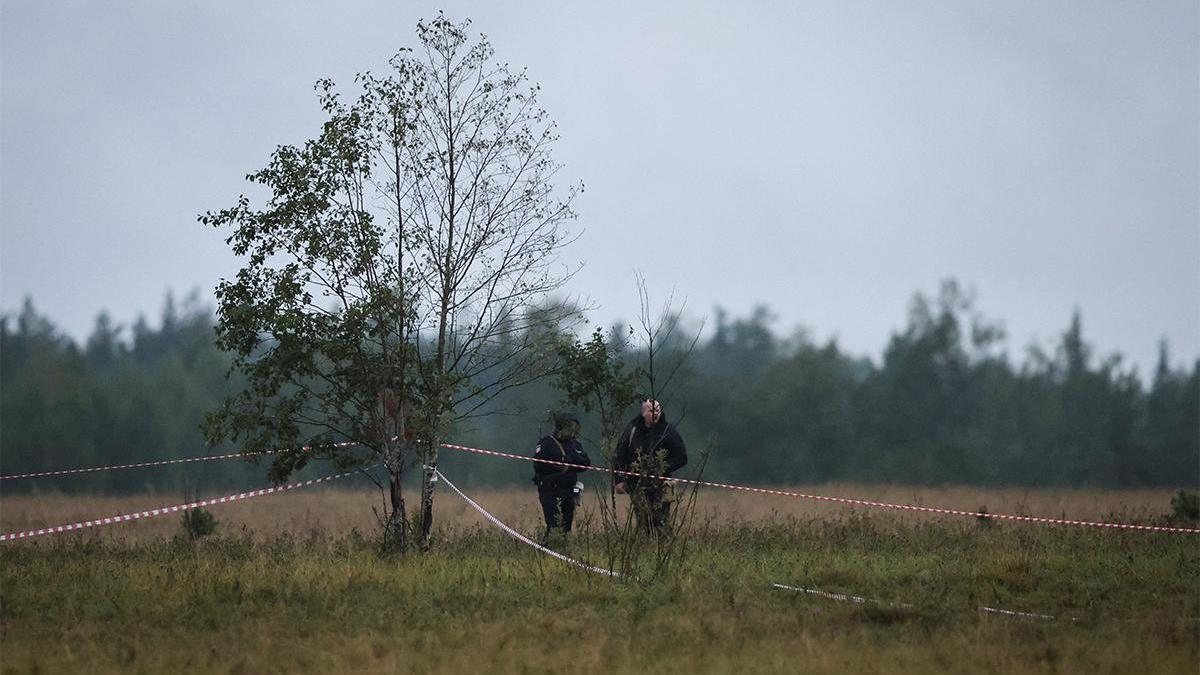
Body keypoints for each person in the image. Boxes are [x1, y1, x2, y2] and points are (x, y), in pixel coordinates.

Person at [614, 399, 687, 532]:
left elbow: (681, 457)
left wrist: (662, 469)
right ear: (643, 413)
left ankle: (662, 549)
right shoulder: (632, 430)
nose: (655, 414)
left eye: (657, 410)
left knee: (661, 522)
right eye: (651, 411)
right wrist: (619, 480)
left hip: (661, 484)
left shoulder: (668, 431)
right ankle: (644, 548)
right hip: (636, 484)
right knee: (643, 522)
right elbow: (620, 455)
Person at [532, 413, 591, 537]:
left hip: (569, 490)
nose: (573, 431)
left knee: (566, 526)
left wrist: (568, 461)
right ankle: (547, 550)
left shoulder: (575, 445)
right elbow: (539, 465)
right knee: (553, 525)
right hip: (550, 489)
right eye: (570, 428)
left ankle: (562, 550)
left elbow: (585, 463)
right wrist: (561, 466)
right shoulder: (546, 443)